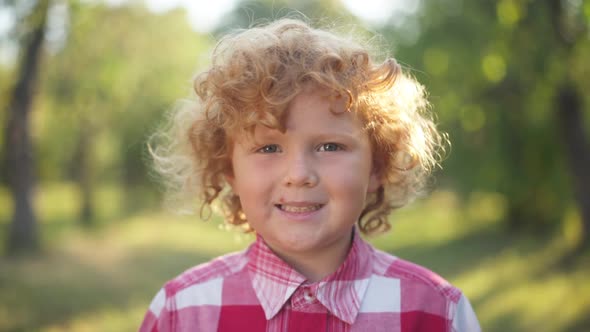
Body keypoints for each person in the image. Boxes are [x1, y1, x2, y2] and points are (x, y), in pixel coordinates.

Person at [139, 18, 481, 332]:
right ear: (230, 172)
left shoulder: (437, 312)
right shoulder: (181, 312)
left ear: (377, 166)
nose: (299, 175)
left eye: (330, 147)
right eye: (269, 148)